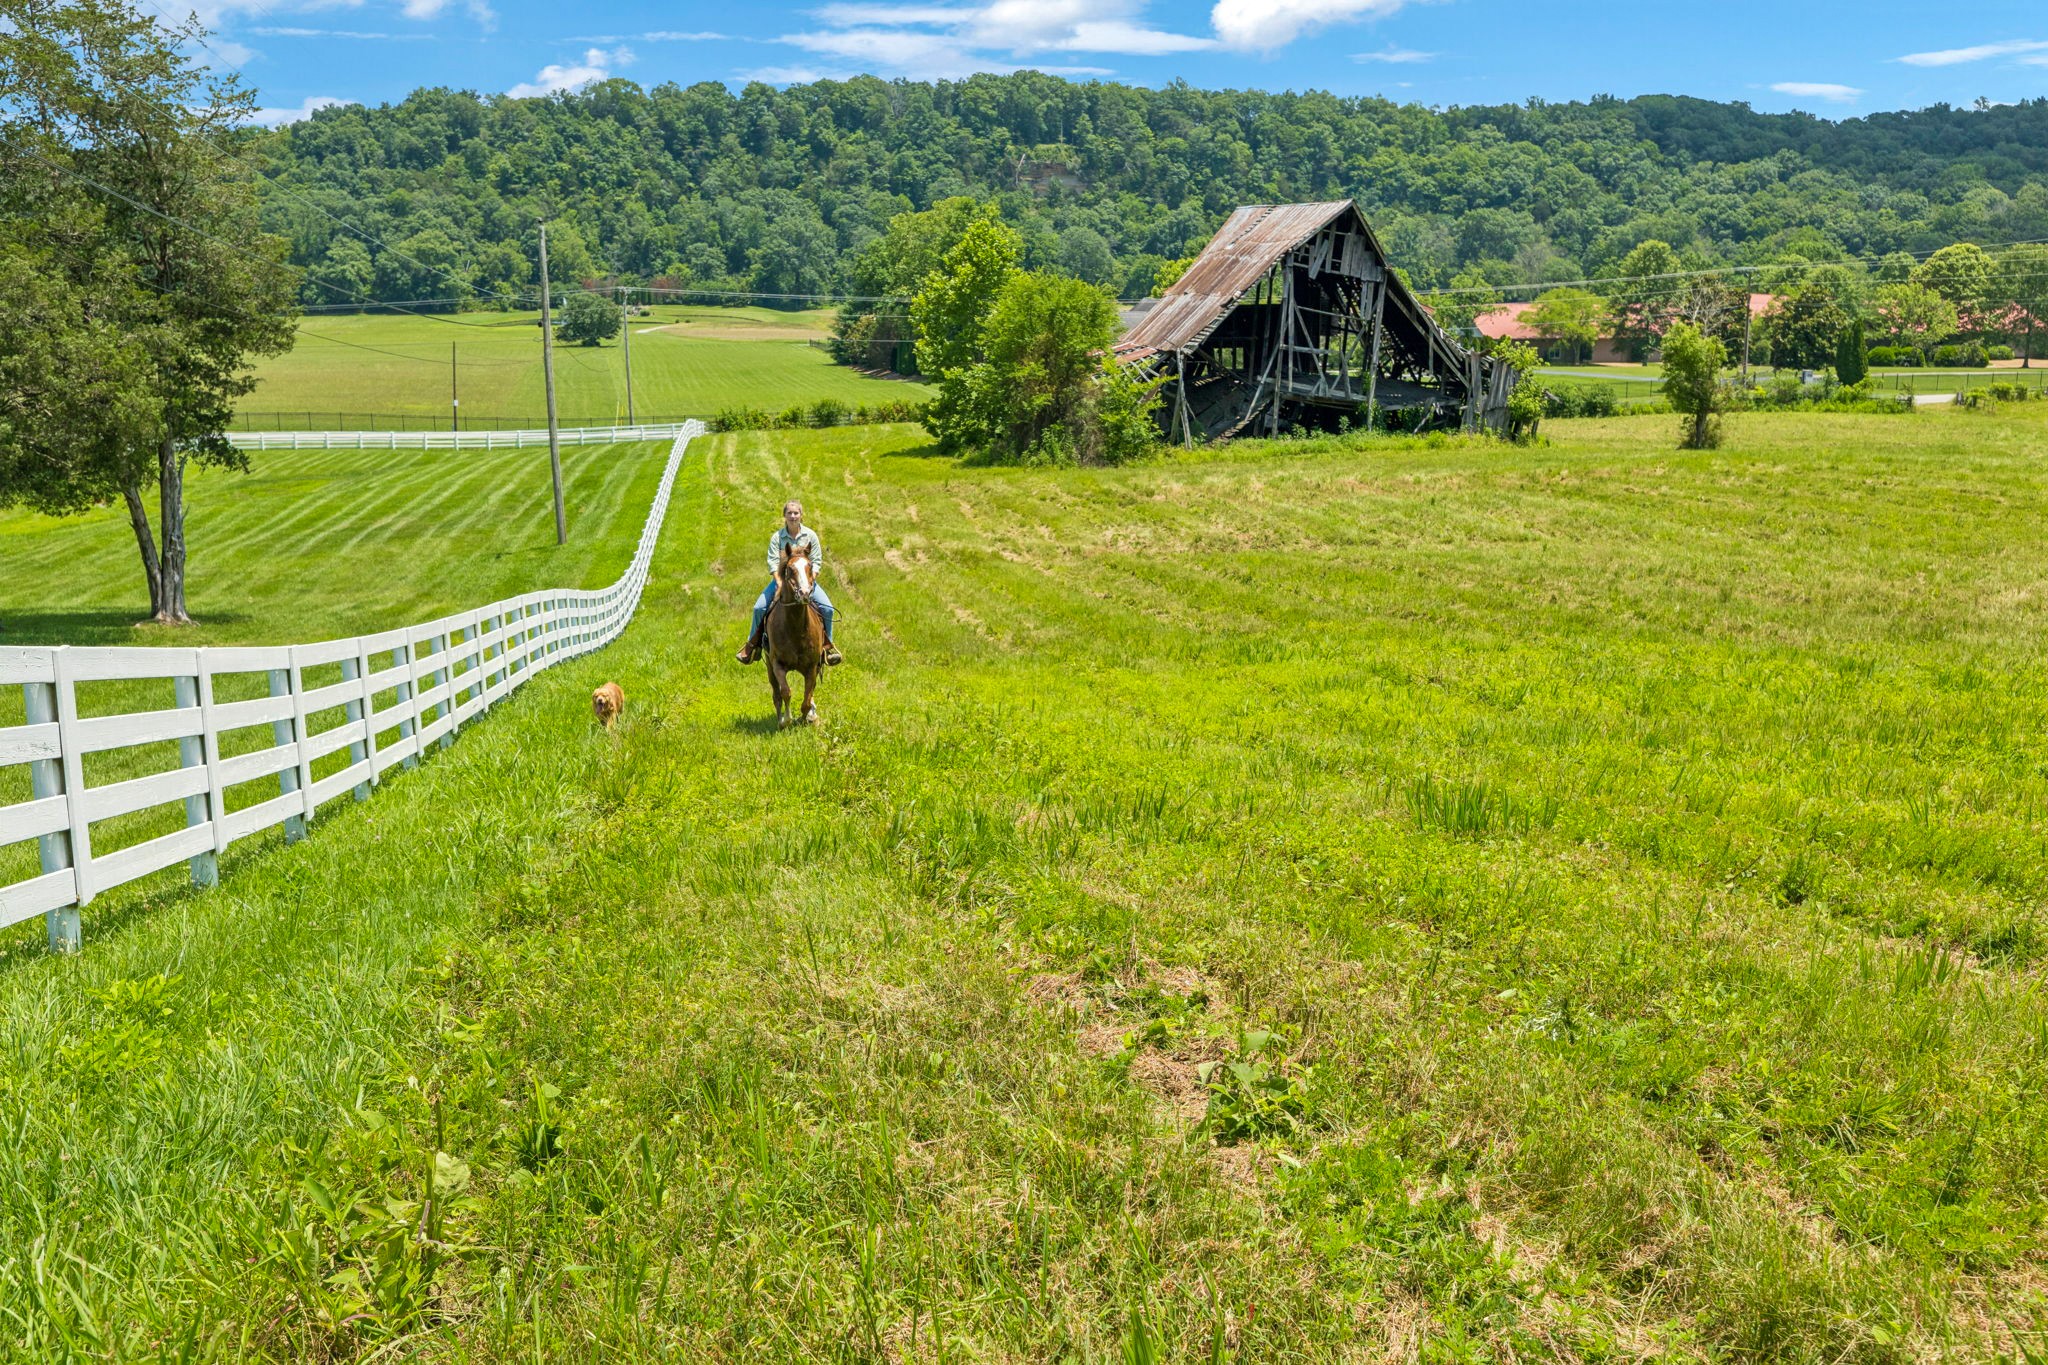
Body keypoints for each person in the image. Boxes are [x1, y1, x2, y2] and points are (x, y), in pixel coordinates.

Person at [737, 499, 843, 667]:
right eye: (790, 513)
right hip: (782, 582)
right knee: (759, 608)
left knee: (828, 609)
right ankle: (752, 646)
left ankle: (827, 647)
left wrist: (809, 581)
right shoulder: (777, 537)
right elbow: (772, 563)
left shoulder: (811, 536)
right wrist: (779, 583)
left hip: (807, 583)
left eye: (796, 513)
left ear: (801, 515)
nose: (793, 516)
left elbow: (816, 561)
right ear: (784, 516)